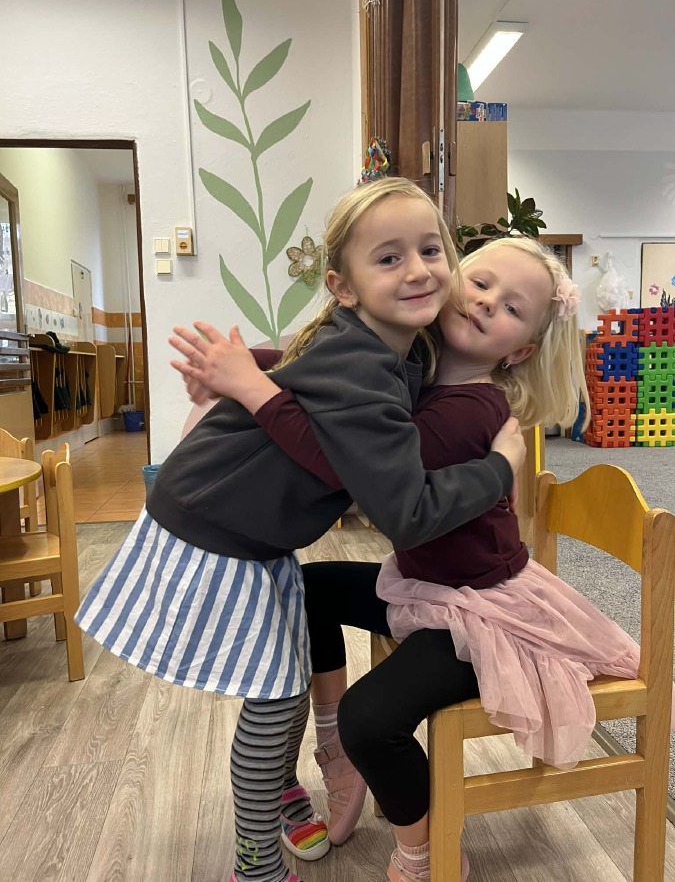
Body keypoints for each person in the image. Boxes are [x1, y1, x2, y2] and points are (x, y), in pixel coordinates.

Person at [76, 177, 525, 882]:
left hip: (241, 525)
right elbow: (403, 510)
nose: (416, 269)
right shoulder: (366, 364)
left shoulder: (395, 345)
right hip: (218, 532)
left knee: (283, 680)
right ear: (343, 288)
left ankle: (281, 795)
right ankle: (256, 861)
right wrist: (501, 468)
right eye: (389, 257)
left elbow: (314, 404)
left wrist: (251, 372)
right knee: (277, 696)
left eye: (430, 249)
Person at [174, 237, 651, 882]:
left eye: (512, 308)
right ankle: (335, 752)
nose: (486, 303)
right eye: (480, 282)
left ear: (520, 350)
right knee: (308, 592)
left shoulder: (471, 408)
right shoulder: (416, 366)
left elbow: (353, 465)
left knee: (373, 719)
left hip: (483, 612)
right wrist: (241, 365)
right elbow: (328, 376)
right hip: (429, 585)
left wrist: (256, 390)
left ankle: (421, 855)